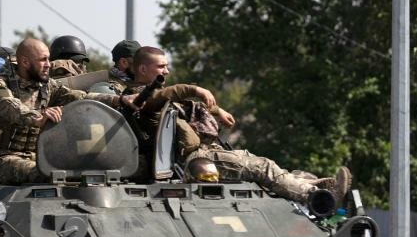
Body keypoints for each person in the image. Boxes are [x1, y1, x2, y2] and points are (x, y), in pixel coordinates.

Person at [131, 46, 351, 204]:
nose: (166, 71)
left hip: (202, 151)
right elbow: (160, 99)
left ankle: (310, 185)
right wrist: (194, 89)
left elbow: (184, 104)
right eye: (161, 67)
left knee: (255, 160)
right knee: (262, 167)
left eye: (166, 66)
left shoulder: (156, 95)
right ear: (142, 69)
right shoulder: (136, 98)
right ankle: (320, 199)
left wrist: (217, 111)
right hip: (191, 160)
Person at [0, 38, 137, 184]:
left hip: (39, 158)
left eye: (48, 59)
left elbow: (79, 97)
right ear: (25, 62)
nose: (48, 64)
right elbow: (12, 107)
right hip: (1, 160)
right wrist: (39, 117)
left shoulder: (46, 86)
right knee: (47, 175)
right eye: (43, 60)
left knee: (85, 172)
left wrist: (119, 100)